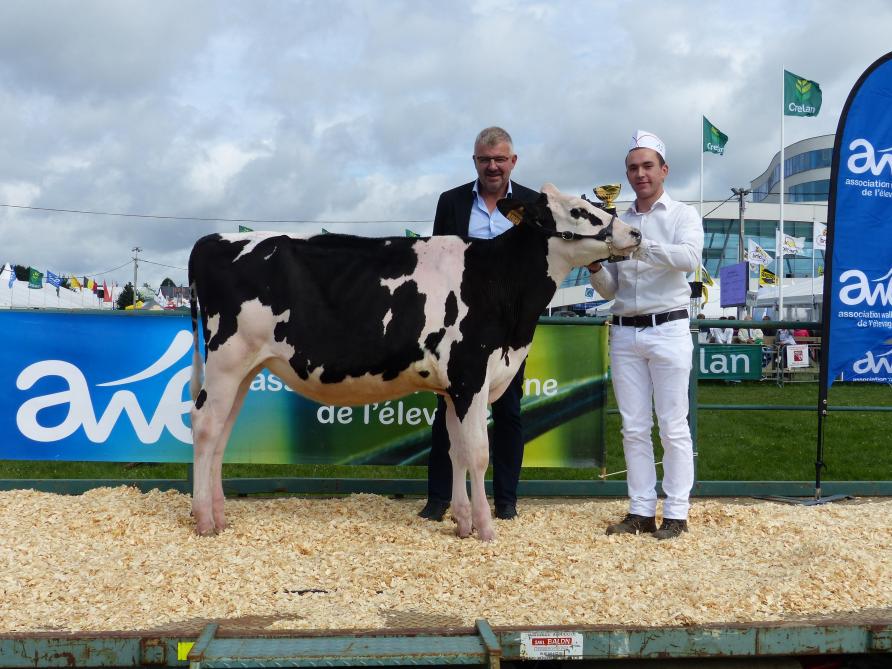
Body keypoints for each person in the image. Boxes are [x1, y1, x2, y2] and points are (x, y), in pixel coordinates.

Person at [418, 126, 539, 523]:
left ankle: (506, 500)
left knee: (509, 411)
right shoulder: (451, 202)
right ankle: (439, 498)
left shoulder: (532, 204)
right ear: (475, 161)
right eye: (485, 160)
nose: (492, 167)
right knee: (448, 409)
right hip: (459, 329)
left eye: (500, 159)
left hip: (509, 328)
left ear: (513, 161)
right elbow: (436, 262)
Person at [588, 130, 703, 540]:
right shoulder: (617, 222)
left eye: (648, 166)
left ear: (664, 170)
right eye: (634, 168)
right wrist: (594, 265)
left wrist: (638, 245)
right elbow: (611, 289)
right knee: (633, 427)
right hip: (624, 331)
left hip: (669, 327)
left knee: (673, 425)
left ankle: (676, 511)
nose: (641, 174)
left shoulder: (683, 215)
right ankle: (640, 509)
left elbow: (689, 259)